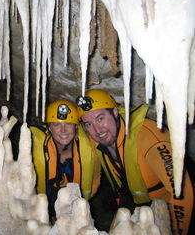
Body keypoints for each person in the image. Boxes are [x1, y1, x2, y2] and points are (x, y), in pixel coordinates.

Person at [76, 89, 194, 235]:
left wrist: (176, 231)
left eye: (100, 118)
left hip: (171, 207)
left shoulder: (148, 137)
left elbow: (182, 192)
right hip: (133, 201)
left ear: (114, 112)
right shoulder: (96, 142)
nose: (97, 129)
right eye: (88, 124)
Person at [30, 100, 100, 224]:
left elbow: (95, 177)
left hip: (78, 208)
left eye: (68, 124)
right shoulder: (33, 150)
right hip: (43, 208)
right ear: (49, 128)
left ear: (76, 127)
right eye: (57, 124)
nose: (63, 130)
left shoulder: (90, 149)